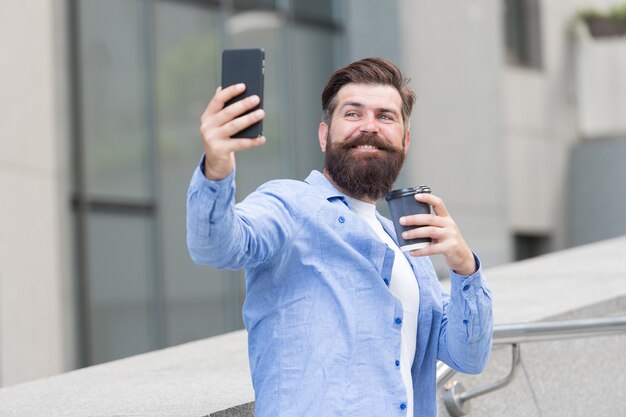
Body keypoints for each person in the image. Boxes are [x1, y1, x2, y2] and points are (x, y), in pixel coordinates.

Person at [187, 57, 493, 417]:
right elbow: (215, 245)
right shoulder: (289, 204)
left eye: (385, 116)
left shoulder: (407, 248)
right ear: (323, 135)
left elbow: (468, 356)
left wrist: (464, 266)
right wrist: (217, 167)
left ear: (405, 141)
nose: (369, 127)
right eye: (352, 114)